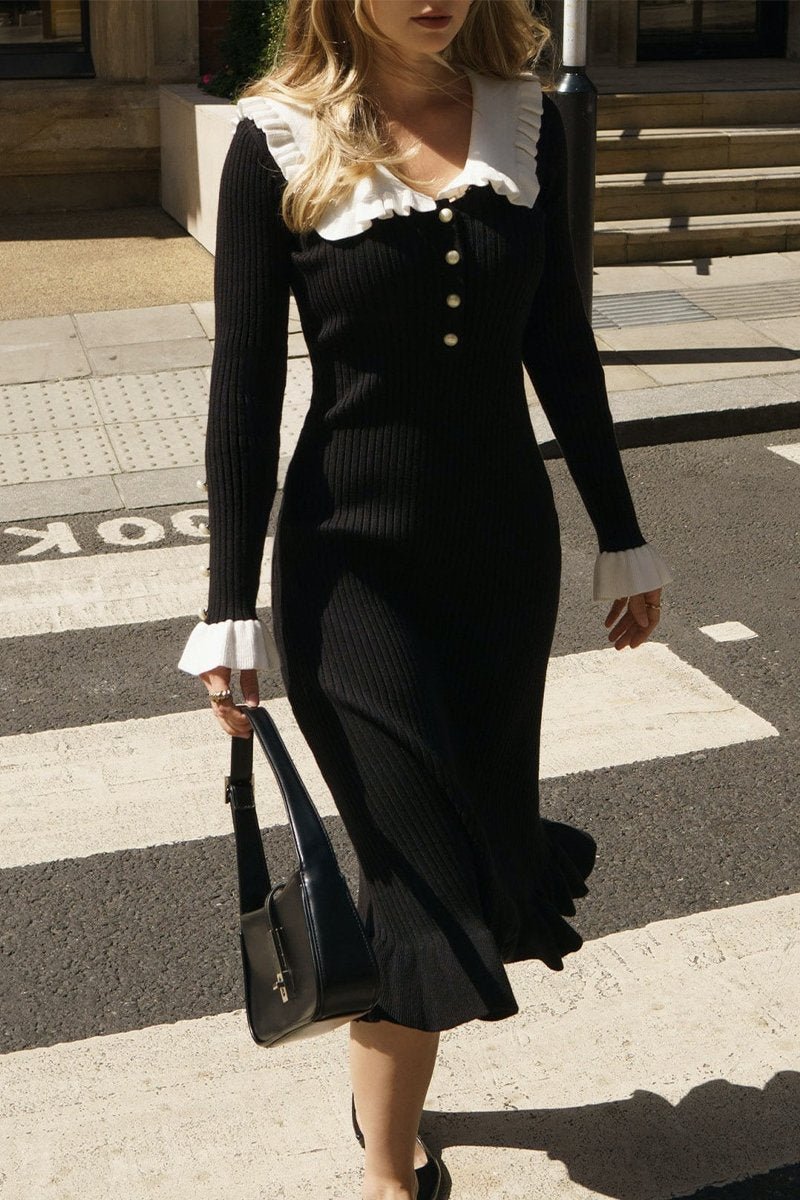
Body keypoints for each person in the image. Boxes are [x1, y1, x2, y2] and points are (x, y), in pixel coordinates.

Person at [178, 2, 672, 1197]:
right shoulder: (278, 142)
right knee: (420, 881)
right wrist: (226, 605)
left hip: (501, 565)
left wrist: (622, 534)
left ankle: (384, 1107)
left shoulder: (532, 125)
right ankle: (391, 1175)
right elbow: (243, 385)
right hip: (349, 573)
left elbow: (560, 342)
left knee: (474, 855)